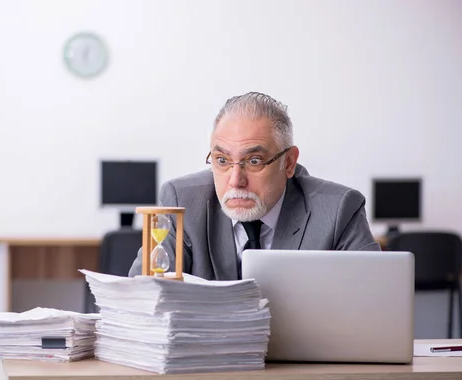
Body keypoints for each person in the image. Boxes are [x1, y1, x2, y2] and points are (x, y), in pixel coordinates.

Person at [128, 92, 380, 280]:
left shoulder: (338, 210)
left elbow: (376, 307)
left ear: (289, 162)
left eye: (254, 160)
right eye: (222, 160)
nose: (236, 180)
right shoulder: (180, 201)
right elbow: (141, 305)